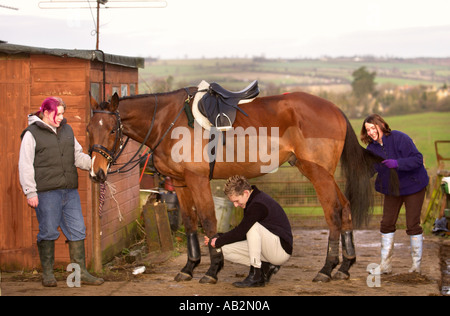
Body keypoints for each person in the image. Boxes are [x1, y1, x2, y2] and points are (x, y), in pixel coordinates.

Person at [19, 97, 104, 287]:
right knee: (48, 231)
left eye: (63, 113)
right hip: (46, 193)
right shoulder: (31, 134)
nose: (61, 118)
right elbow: (24, 165)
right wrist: (30, 191)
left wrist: (94, 165)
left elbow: (77, 155)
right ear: (47, 112)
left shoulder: (67, 130)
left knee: (77, 230)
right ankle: (48, 274)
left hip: (69, 192)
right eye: (59, 114)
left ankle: (80, 273)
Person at [361, 114, 429, 275]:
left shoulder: (399, 138)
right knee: (386, 223)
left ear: (381, 125)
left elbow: (417, 159)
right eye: (367, 130)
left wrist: (397, 164)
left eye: (373, 127)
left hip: (414, 185)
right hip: (392, 189)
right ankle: (385, 265)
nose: (371, 132)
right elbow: (371, 170)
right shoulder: (371, 149)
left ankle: (415, 267)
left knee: (412, 224)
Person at [204, 175, 293, 287]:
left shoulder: (257, 204)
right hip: (268, 248)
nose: (236, 205)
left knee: (253, 227)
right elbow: (243, 233)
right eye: (233, 202)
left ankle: (255, 275)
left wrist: (218, 240)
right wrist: (217, 239)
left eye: (236, 201)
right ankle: (263, 268)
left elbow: (242, 231)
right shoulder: (251, 201)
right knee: (222, 249)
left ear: (246, 193)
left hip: (280, 250)